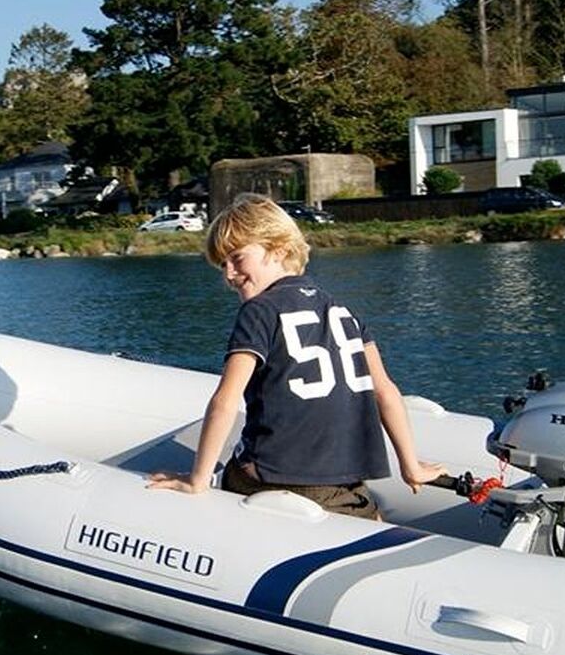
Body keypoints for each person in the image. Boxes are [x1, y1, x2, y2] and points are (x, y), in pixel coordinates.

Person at [147, 194, 443, 518]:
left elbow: (225, 401)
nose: (229, 274)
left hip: (270, 480)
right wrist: (411, 466)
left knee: (237, 465)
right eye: (222, 265)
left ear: (279, 249)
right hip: (346, 486)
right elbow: (384, 392)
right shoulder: (344, 311)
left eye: (237, 257)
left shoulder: (258, 311)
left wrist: (198, 480)